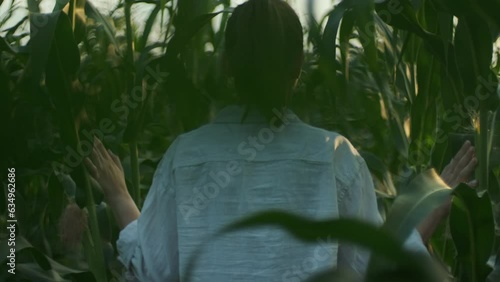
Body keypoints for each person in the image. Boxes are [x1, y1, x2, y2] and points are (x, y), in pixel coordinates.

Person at [84, 0, 477, 281]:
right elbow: (375, 268)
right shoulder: (334, 157)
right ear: (297, 67)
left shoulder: (184, 157)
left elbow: (153, 270)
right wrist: (427, 209)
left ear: (228, 66)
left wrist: (118, 195)